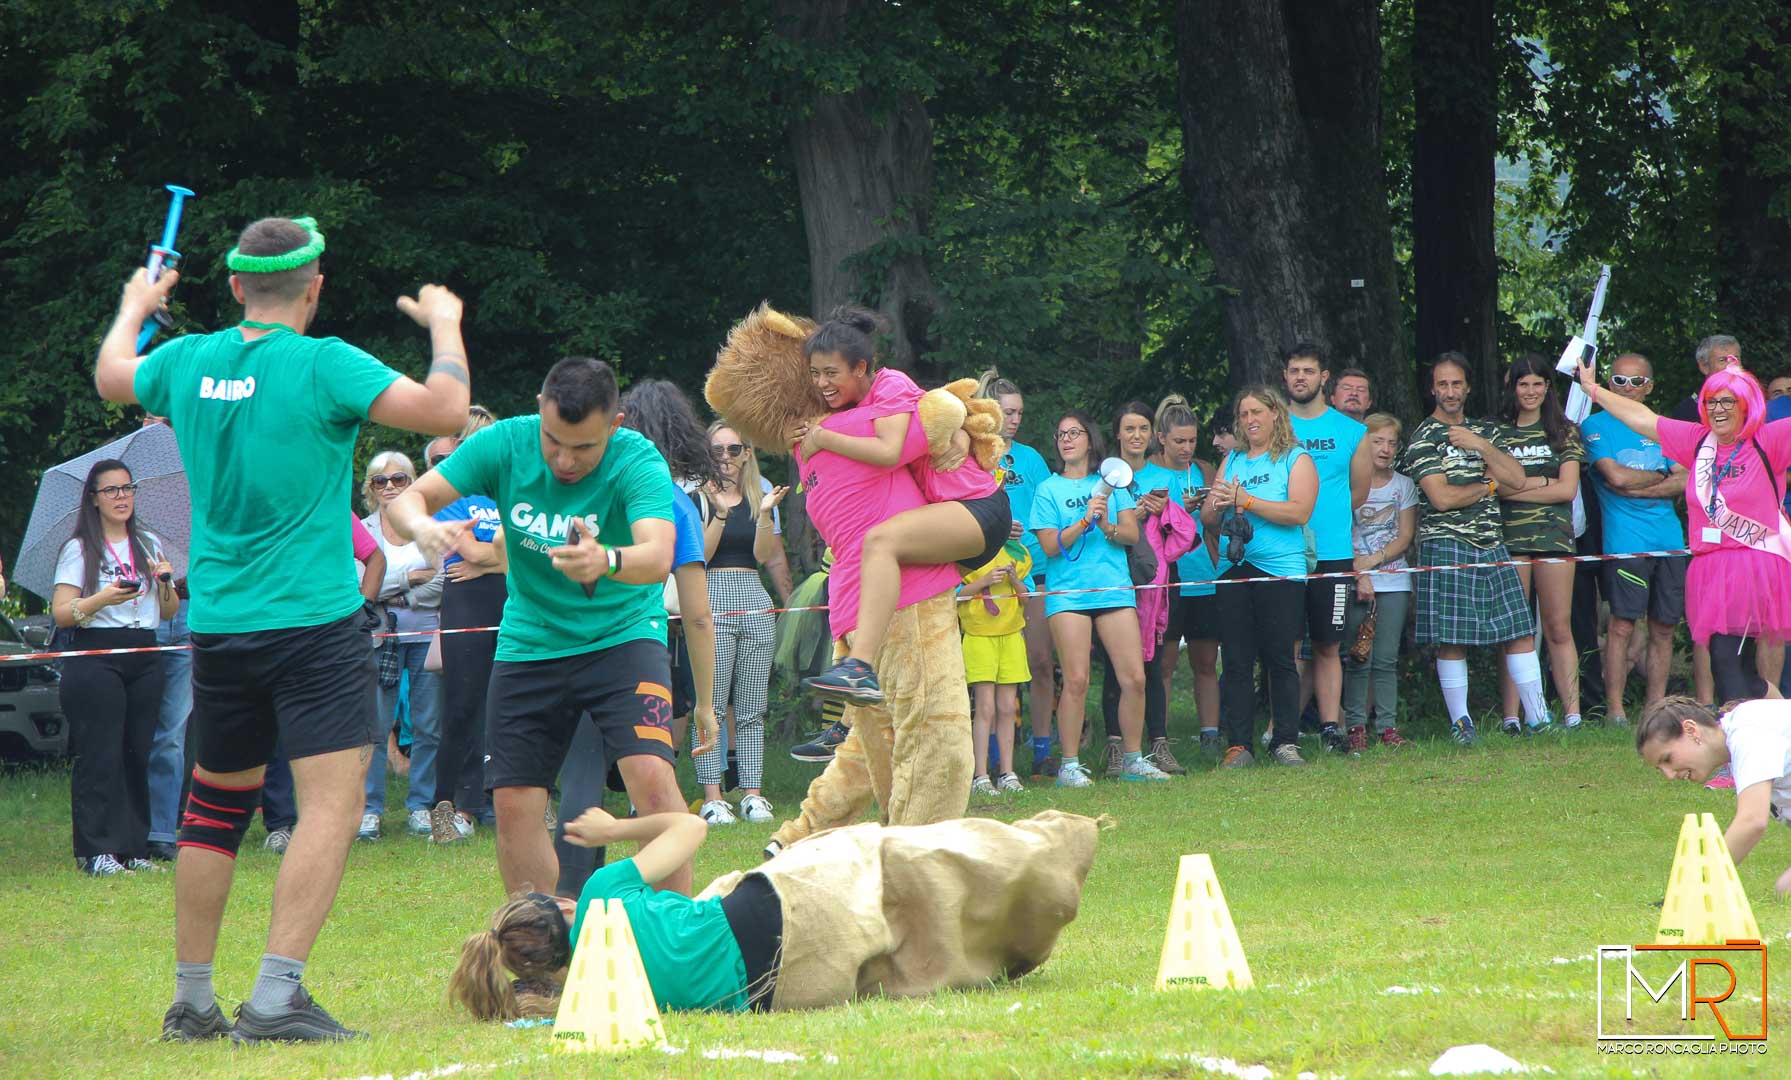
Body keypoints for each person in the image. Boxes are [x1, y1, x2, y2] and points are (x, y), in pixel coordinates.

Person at [95, 213, 471, 1042]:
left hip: (220, 623)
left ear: (235, 286)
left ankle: (192, 1002)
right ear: (316, 286)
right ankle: (273, 999)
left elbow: (112, 375)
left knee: (214, 805)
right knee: (331, 804)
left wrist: (135, 305)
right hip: (312, 621)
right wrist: (444, 323)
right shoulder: (324, 363)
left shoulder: (187, 361)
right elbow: (444, 405)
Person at [388, 357, 688, 898]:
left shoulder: (637, 458)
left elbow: (658, 554)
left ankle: (676, 933)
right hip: (531, 642)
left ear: (614, 426)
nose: (565, 461)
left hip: (623, 635)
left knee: (651, 777)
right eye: (554, 441)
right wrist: (421, 526)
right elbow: (410, 499)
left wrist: (606, 560)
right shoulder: (505, 443)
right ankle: (539, 938)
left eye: (583, 447)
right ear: (539, 412)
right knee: (514, 800)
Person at [449, 806, 1100, 1019]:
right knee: (889, 855)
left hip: (777, 991)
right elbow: (689, 828)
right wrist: (616, 829)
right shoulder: (599, 895)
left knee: (901, 958)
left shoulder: (588, 1002)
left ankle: (1005, 945)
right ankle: (1047, 858)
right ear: (561, 904)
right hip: (766, 914)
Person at [554, 378, 720, 898]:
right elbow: (697, 615)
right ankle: (670, 909)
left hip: (561, 647)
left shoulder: (582, 492)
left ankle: (565, 909)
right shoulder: (673, 503)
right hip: (634, 656)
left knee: (579, 785)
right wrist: (706, 703)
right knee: (656, 792)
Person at [797, 307, 1010, 704]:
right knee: (870, 581)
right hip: (948, 513)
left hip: (977, 506)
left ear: (861, 368)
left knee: (881, 541)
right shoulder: (852, 408)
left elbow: (889, 451)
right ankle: (850, 722)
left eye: (830, 373)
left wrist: (822, 437)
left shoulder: (890, 384)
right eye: (814, 374)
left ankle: (859, 669)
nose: (821, 383)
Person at [1576, 355, 1791, 702]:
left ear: (1746, 405)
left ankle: (1737, 730)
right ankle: (1776, 723)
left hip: (1753, 563)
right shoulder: (1697, 440)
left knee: (1726, 659)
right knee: (1736, 667)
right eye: (1711, 402)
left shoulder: (1769, 439)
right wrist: (1592, 389)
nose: (1718, 409)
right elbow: (1641, 417)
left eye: (1727, 401)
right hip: (1711, 564)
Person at [1399, 353, 1548, 743]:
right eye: (1442, 384)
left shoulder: (1486, 432)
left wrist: (1480, 444)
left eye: (1456, 384)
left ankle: (1539, 719)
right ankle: (1461, 724)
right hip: (1447, 543)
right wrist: (1488, 485)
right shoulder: (1423, 437)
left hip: (1492, 541)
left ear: (1467, 387)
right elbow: (1442, 498)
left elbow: (1517, 478)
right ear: (1433, 389)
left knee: (1519, 631)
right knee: (1453, 639)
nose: (1450, 392)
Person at [52, 460, 180, 875]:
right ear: (94, 499)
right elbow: (62, 613)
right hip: (97, 653)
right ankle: (97, 851)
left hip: (144, 651)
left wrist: (165, 581)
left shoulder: (147, 543)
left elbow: (168, 611)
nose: (122, 497)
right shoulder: (80, 549)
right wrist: (102, 599)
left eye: (128, 488)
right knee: (101, 753)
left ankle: (133, 848)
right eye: (111, 490)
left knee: (137, 751)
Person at [1031, 411, 1168, 786]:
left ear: (1090, 440)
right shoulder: (1048, 489)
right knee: (1076, 680)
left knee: (1134, 678)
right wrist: (1082, 522)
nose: (1066, 439)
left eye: (1074, 433)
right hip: (1068, 594)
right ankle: (1070, 766)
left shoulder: (1111, 482)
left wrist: (1106, 524)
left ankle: (1133, 760)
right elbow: (1049, 547)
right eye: (1061, 434)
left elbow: (1130, 534)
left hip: (1113, 588)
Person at [1200, 387, 1317, 766]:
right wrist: (1215, 505)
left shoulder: (1295, 459)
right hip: (1233, 568)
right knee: (1236, 659)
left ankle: (1285, 741)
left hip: (1280, 572)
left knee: (1280, 658)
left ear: (1275, 414)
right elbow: (1208, 517)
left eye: (1257, 412)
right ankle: (1239, 745)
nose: (1250, 420)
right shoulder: (1233, 459)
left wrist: (1246, 501)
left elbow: (1299, 512)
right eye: (1244, 413)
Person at [1580, 354, 1689, 727]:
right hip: (1625, 542)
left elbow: (1685, 480)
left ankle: (1656, 709)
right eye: (1619, 380)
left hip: (1670, 539)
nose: (1627, 388)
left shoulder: (1661, 426)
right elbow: (1616, 477)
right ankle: (1616, 711)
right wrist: (1661, 477)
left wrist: (1643, 486)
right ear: (1608, 383)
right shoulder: (1595, 425)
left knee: (1664, 626)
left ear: (1649, 386)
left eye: (1636, 381)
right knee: (1622, 625)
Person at [1283, 345, 1372, 754]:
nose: (1300, 377)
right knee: (1285, 645)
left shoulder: (1352, 432)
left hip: (1333, 552)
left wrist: (1327, 516)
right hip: (1282, 551)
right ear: (1285, 377)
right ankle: (1281, 730)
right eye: (1294, 370)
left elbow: (1359, 492)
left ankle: (1331, 727)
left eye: (1308, 371)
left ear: (1324, 378)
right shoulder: (1274, 425)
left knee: (1328, 644)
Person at [697, 421, 787, 824]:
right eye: (717, 450)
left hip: (753, 595)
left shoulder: (760, 494)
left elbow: (764, 555)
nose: (726, 458)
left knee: (752, 707)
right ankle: (712, 797)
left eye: (734, 450)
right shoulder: (697, 497)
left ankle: (752, 793)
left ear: (747, 454)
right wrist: (719, 512)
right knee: (712, 705)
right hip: (711, 595)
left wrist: (765, 514)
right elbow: (699, 556)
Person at [1494, 353, 1586, 731]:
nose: (1530, 391)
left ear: (1548, 387)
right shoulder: (1498, 432)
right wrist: (1544, 482)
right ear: (1512, 387)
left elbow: (1567, 490)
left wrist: (1520, 485)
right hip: (1509, 540)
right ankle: (1512, 717)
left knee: (1558, 628)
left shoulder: (1564, 430)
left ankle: (1573, 714)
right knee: (1515, 630)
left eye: (1537, 384)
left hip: (1555, 540)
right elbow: (1494, 488)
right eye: (1523, 384)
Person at [976, 371, 1059, 780]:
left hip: (1034, 571)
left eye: (1020, 413)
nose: (1015, 420)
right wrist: (994, 526)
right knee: (989, 674)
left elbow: (1048, 508)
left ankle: (1042, 751)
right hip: (988, 575)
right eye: (1009, 412)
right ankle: (993, 757)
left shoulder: (1031, 459)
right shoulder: (974, 455)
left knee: (1040, 662)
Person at [428, 405, 505, 844]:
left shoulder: (509, 492)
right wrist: (497, 560)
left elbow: (532, 555)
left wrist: (488, 563)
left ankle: (502, 799)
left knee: (507, 703)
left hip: (510, 605)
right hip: (466, 605)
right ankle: (449, 805)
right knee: (462, 707)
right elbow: (471, 552)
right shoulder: (451, 495)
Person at [359, 451, 445, 840]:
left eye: (399, 479)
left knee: (428, 725)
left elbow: (441, 582)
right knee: (376, 726)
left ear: (413, 483)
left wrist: (395, 593)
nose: (390, 486)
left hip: (427, 635)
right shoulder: (363, 529)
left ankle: (420, 806)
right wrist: (409, 579)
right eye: (381, 480)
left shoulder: (427, 526)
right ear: (371, 488)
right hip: (379, 638)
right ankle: (370, 810)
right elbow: (361, 586)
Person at [1635, 696, 1791, 896]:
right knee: (1785, 890)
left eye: (1667, 759)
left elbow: (1752, 821)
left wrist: (1695, 886)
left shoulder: (1748, 734)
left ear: (1691, 730)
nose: (1669, 775)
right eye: (1660, 769)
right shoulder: (1741, 732)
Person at [1095, 401, 1177, 776]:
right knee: (1117, 666)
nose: (1137, 436)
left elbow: (1181, 530)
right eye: (1129, 428)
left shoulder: (1166, 476)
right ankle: (1116, 748)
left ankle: (1158, 745)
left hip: (1156, 580)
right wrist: (1134, 516)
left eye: (1143, 428)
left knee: (1153, 664)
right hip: (1116, 577)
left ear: (1153, 434)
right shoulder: (1103, 476)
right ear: (1117, 433)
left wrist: (1168, 511)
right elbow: (1096, 523)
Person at [1154, 395, 1223, 753]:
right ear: (1161, 438)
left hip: (1204, 573)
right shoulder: (1149, 473)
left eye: (1192, 440)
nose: (1186, 448)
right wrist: (1179, 508)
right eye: (1179, 441)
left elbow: (1216, 520)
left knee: (1206, 661)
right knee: (1164, 663)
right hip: (1168, 577)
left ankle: (1210, 734)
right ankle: (1159, 738)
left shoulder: (1204, 470)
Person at [1342, 414, 1416, 750]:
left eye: (1391, 443)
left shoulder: (1404, 485)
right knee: (1358, 657)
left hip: (1394, 580)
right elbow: (1340, 532)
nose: (1385, 449)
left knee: (1386, 658)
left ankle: (1387, 727)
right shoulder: (1347, 484)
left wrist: (1374, 561)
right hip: (1357, 580)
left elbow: (1405, 536)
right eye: (1377, 441)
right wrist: (1361, 573)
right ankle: (1355, 727)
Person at [960, 539, 1032, 795]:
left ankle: (1007, 773)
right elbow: (956, 595)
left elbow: (1026, 597)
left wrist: (1014, 579)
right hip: (979, 637)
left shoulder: (1018, 553)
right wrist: (984, 580)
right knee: (985, 708)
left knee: (1007, 707)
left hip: (1011, 636)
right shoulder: (966, 552)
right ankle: (980, 775)